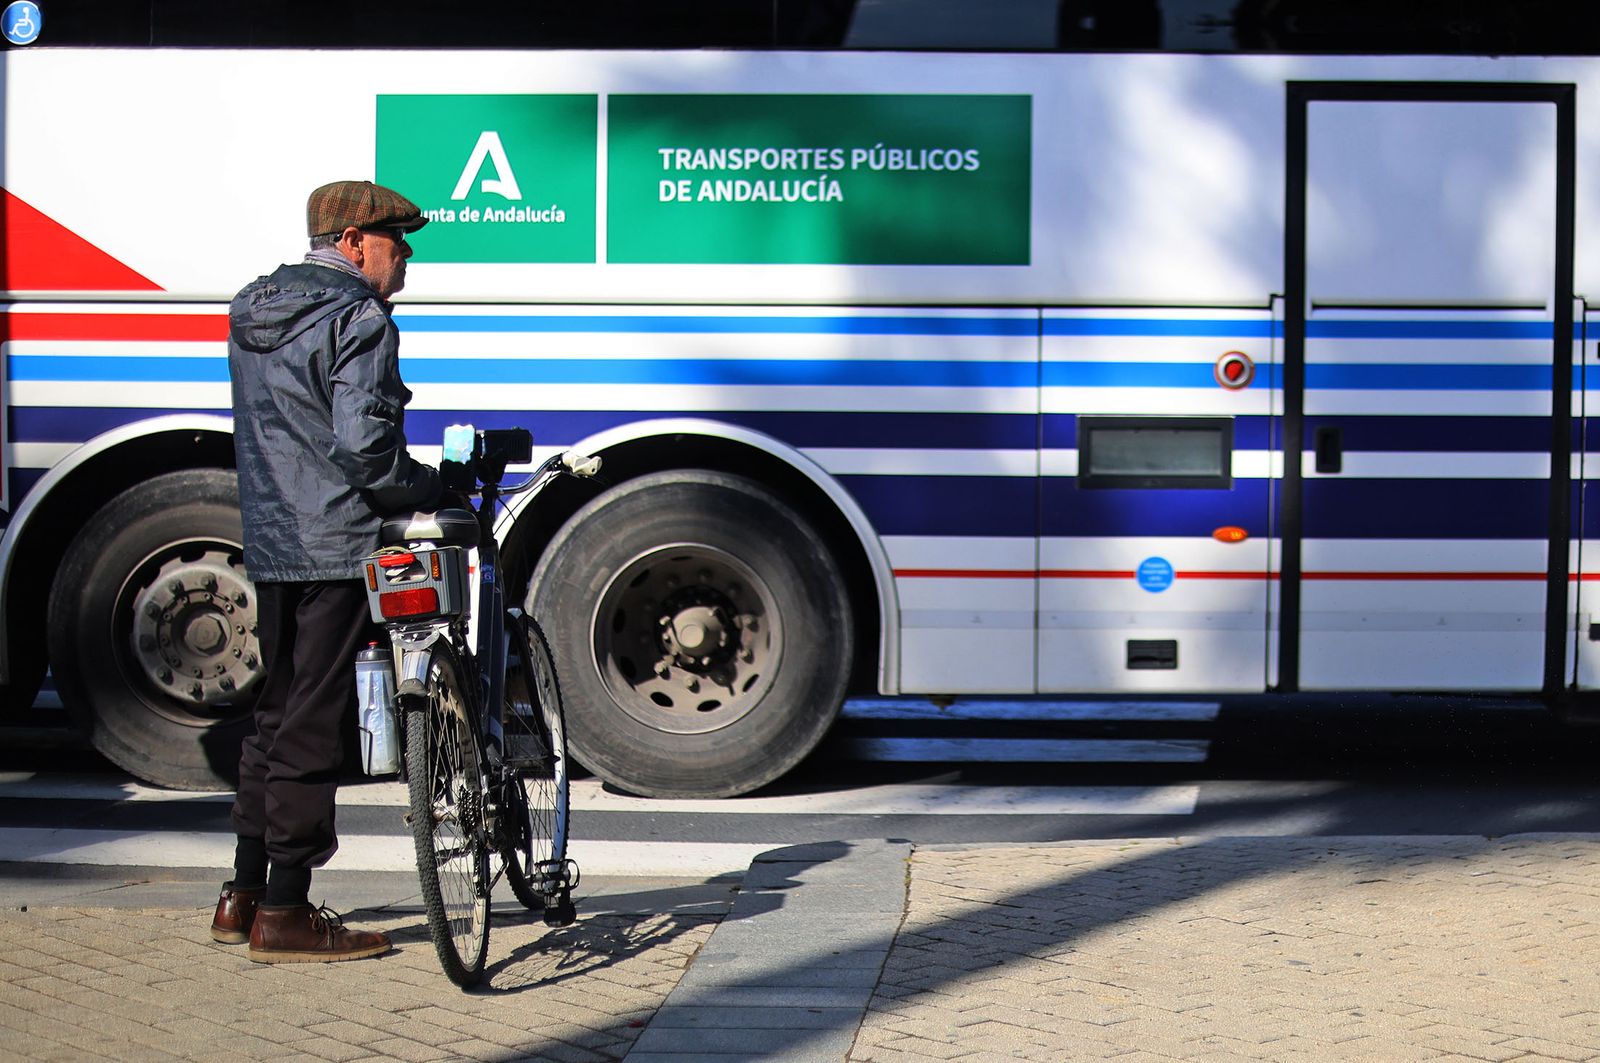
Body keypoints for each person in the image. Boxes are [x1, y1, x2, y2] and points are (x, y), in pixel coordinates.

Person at [211, 180, 442, 963]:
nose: (406, 255)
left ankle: (241, 893)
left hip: (271, 535)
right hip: (336, 541)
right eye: (395, 241)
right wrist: (426, 485)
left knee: (274, 713)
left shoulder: (252, 307)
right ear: (351, 242)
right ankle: (286, 912)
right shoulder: (359, 316)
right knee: (314, 718)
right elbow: (364, 447)